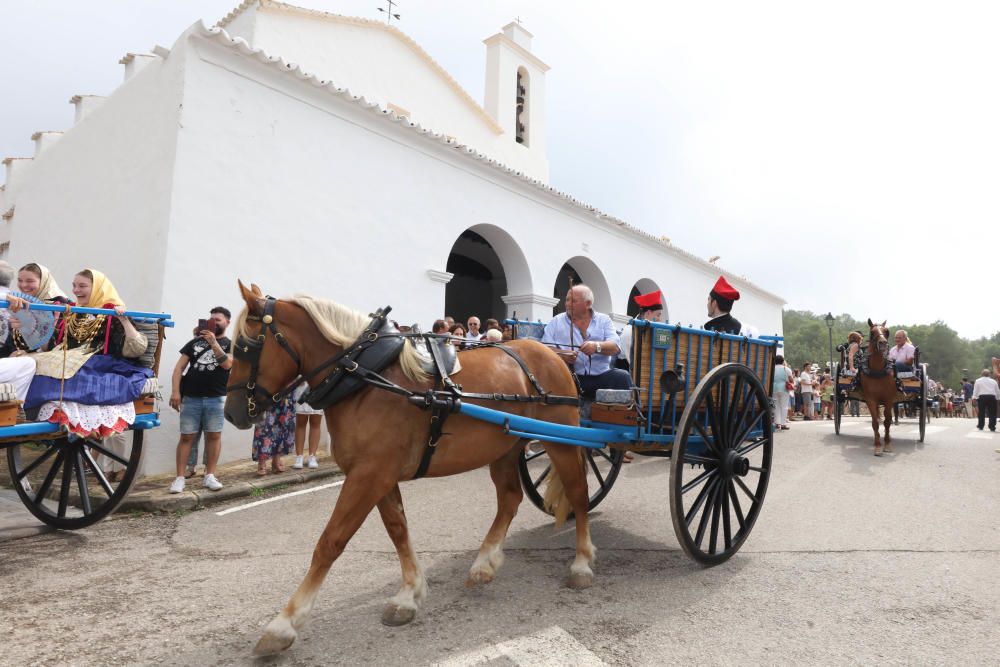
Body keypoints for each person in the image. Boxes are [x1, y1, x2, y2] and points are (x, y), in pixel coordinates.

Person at [168, 306, 233, 494]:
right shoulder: (194, 342)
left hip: (216, 398)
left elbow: (227, 364)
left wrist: (213, 343)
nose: (213, 322)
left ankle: (210, 475)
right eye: (211, 319)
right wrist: (175, 393)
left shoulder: (231, 344)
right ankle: (179, 478)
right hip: (191, 398)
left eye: (218, 319)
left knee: (214, 436)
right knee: (186, 436)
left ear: (227, 322)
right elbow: (179, 368)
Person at [541, 284, 631, 397]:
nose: (567, 304)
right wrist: (562, 355)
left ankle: (623, 413)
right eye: (567, 300)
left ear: (588, 304)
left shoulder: (604, 320)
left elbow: (615, 347)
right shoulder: (556, 321)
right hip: (569, 378)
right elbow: (544, 348)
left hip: (601, 376)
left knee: (622, 376)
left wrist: (596, 347)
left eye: (573, 301)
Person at [617, 290, 664, 371]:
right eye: (658, 315)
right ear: (648, 313)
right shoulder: (629, 332)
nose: (660, 320)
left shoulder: (650, 331)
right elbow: (634, 366)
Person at [252, 395, 296, 474]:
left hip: (286, 387)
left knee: (283, 423)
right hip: (267, 388)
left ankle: (277, 458)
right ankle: (262, 461)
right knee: (264, 424)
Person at [292, 384, 323, 469]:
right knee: (300, 423)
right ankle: (299, 457)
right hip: (302, 387)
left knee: (315, 423)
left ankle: (312, 457)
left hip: (318, 386)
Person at [771, 354, 791, 430]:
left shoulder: (772, 368)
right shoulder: (786, 369)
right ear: (782, 361)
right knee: (784, 406)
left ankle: (777, 423)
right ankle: (783, 424)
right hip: (784, 389)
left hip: (774, 388)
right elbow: (791, 379)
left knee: (776, 407)